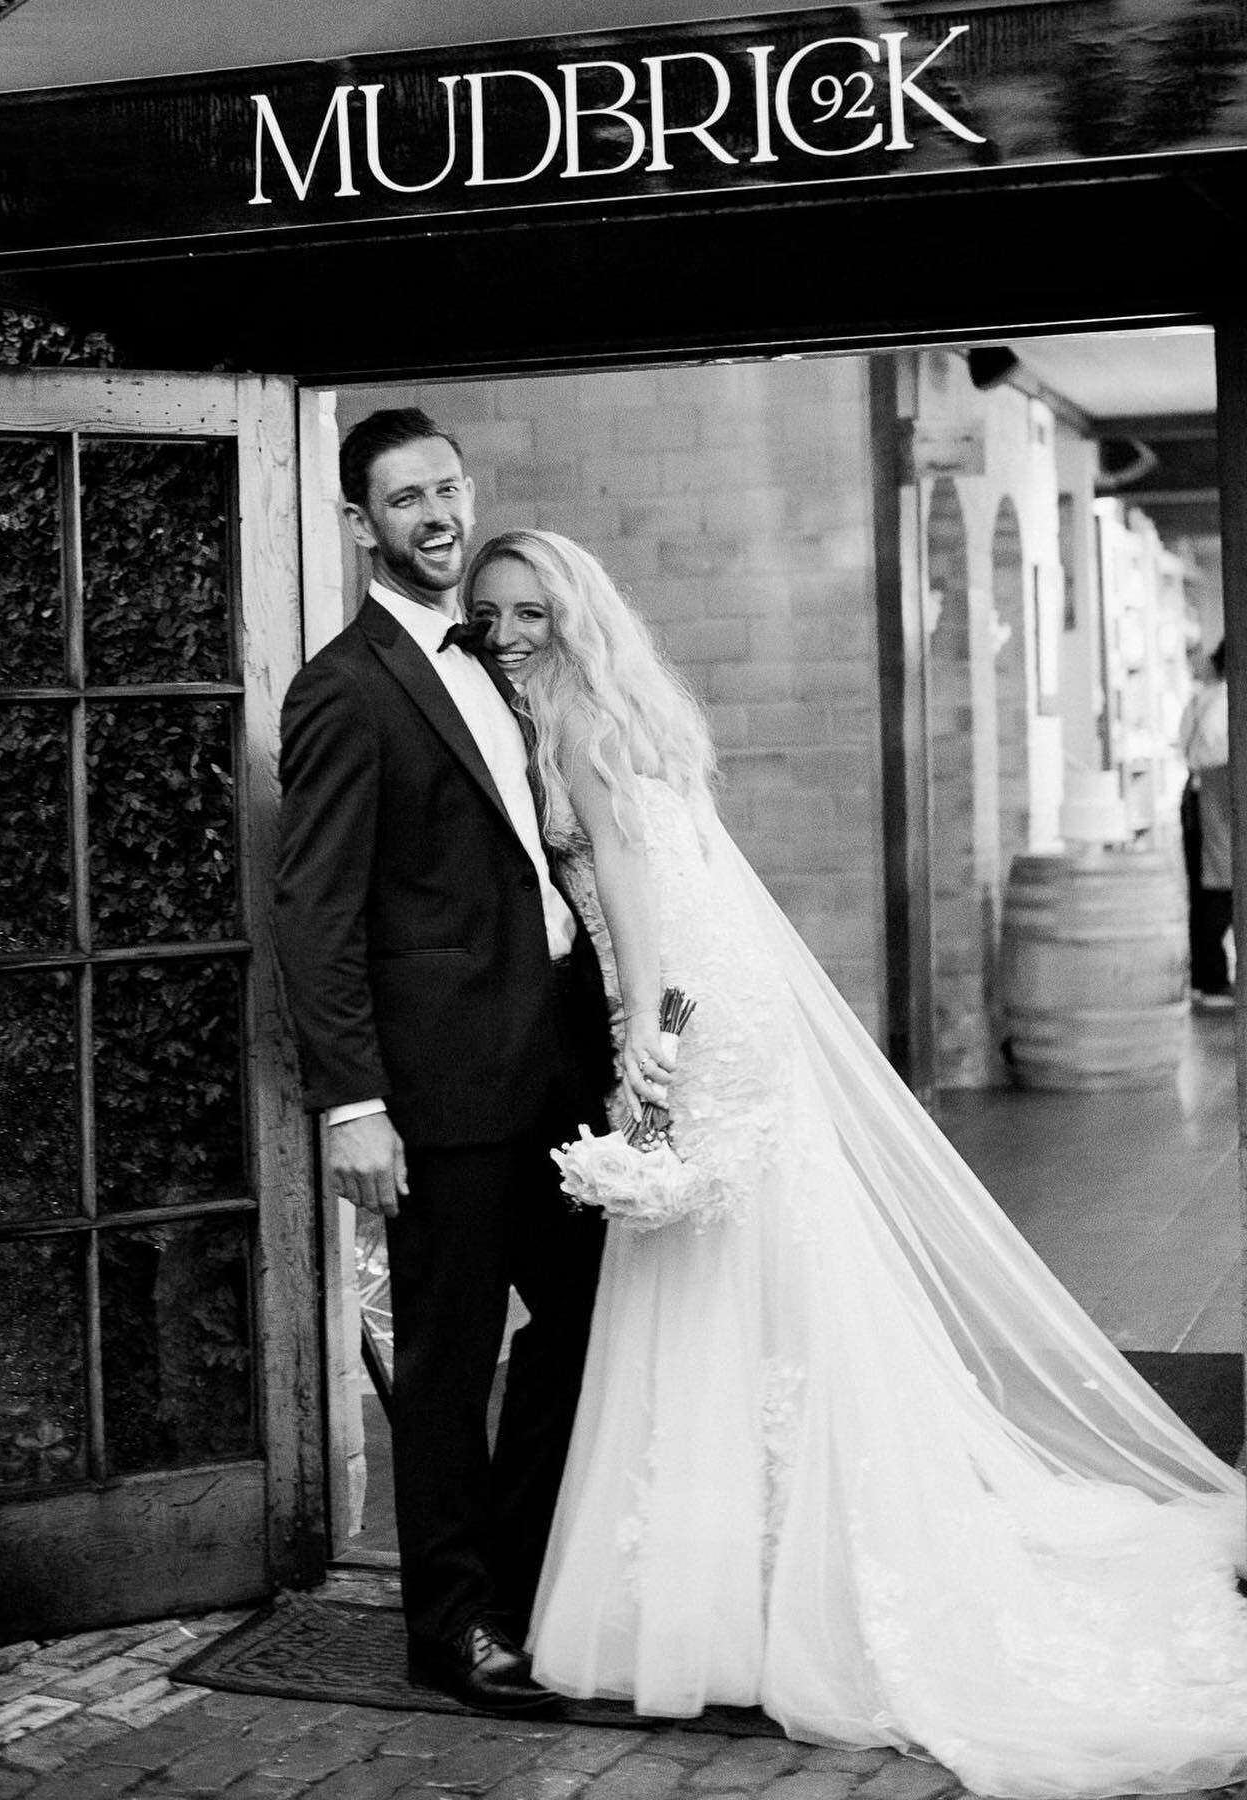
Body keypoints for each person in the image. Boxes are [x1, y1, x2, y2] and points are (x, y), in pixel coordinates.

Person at [462, 528, 1247, 1799]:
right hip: (736, 1017)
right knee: (767, 1287)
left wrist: (642, 1078)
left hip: (692, 1029)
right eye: (491, 616)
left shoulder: (578, 738)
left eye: (530, 614)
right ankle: (781, 1564)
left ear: (574, 619)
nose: (506, 635)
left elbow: (651, 928)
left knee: (702, 1287)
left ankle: (736, 1594)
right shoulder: (636, 714)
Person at [273, 415, 623, 1716]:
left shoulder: (499, 653)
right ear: (361, 523)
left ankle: (519, 1589)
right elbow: (314, 910)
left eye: (447, 488)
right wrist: (353, 1102)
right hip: (438, 1101)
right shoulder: (345, 685)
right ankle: (453, 1628)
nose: (435, 513)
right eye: (404, 498)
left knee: (588, 1322)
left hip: (554, 1078)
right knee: (443, 1364)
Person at [1179, 639, 1233, 1009]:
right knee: (1217, 886)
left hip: (1202, 797)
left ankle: (1206, 977)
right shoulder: (1223, 700)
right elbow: (1209, 750)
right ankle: (1211, 979)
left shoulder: (1207, 697)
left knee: (1208, 888)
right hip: (1213, 799)